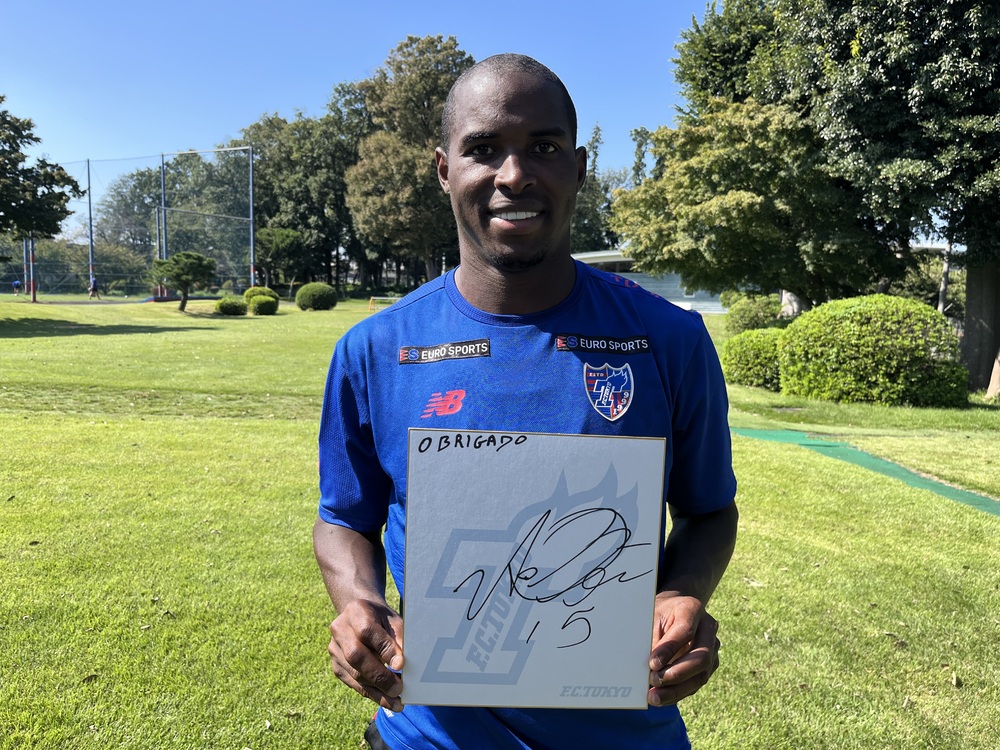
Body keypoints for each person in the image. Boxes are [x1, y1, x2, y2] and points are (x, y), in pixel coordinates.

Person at [313, 53, 739, 750]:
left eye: (543, 147)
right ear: (444, 169)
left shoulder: (670, 339)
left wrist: (681, 591)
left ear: (579, 167)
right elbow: (343, 518)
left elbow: (709, 509)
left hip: (626, 734)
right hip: (429, 735)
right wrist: (358, 603)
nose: (513, 175)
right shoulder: (376, 349)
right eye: (483, 149)